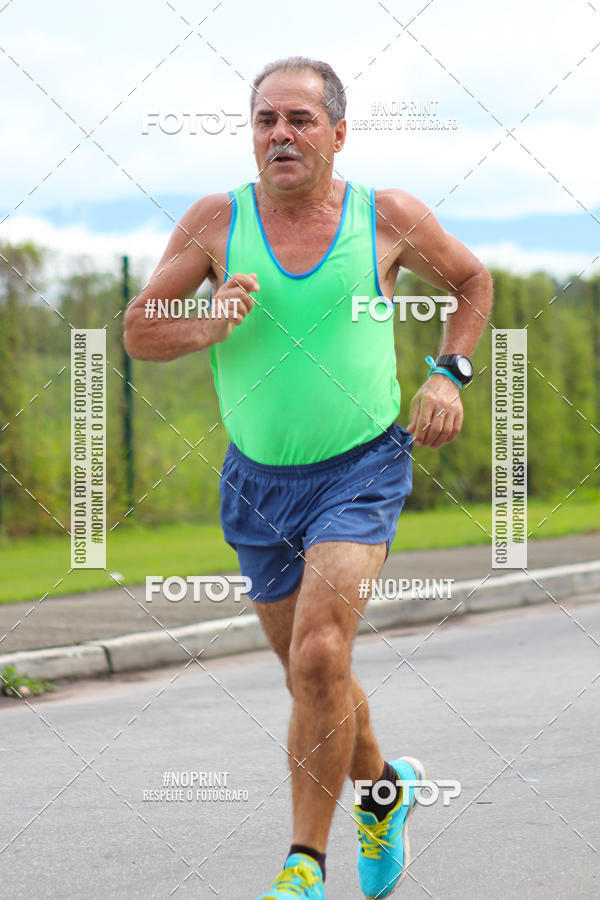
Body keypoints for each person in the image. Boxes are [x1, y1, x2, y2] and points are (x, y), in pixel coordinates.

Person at [124, 56, 493, 900]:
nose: (281, 135)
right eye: (266, 120)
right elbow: (140, 329)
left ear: (338, 132)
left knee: (322, 651)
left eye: (299, 119)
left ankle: (303, 865)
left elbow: (472, 280)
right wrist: (204, 321)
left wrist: (449, 375)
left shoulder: (385, 215)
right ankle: (385, 793)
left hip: (361, 467)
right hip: (257, 484)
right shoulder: (216, 222)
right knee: (312, 676)